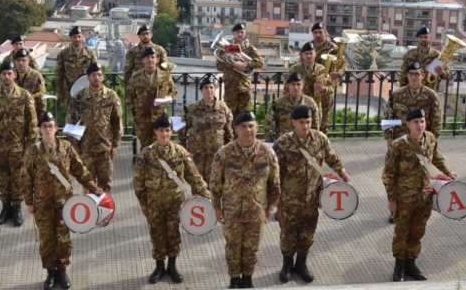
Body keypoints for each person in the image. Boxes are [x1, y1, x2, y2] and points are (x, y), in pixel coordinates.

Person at [22, 112, 103, 290]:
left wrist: (92, 187)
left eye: (51, 126)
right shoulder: (33, 151)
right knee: (47, 239)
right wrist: (29, 201)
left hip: (64, 203)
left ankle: (62, 270)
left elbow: (79, 170)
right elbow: (26, 178)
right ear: (40, 129)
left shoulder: (66, 147)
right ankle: (51, 273)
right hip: (43, 204)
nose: (48, 129)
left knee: (63, 238)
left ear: (56, 128)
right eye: (44, 127)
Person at [273, 105, 351, 283]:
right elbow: (274, 171)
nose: (305, 126)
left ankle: (301, 264)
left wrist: (342, 172)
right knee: (288, 233)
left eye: (308, 122)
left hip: (312, 198)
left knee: (307, 232)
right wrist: (275, 197)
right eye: (301, 122)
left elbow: (332, 157)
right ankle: (287, 265)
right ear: (293, 122)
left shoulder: (320, 139)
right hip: (290, 199)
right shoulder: (283, 143)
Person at [133, 113, 211, 284]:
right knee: (157, 235)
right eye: (161, 130)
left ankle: (172, 266)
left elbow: (194, 177)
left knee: (174, 234)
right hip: (154, 203)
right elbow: (138, 183)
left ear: (171, 132)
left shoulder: (180, 152)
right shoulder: (146, 155)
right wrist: (143, 204)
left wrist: (207, 196)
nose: (165, 134)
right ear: (155, 131)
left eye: (168, 131)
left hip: (175, 203)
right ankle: (159, 267)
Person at [383, 108, 458, 282]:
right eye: (416, 122)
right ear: (408, 124)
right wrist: (392, 201)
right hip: (404, 198)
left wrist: (448, 171)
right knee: (401, 232)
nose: (420, 125)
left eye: (422, 121)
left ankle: (411, 263)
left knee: (417, 231)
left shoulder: (430, 139)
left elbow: (436, 157)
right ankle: (399, 266)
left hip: (425, 196)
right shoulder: (398, 145)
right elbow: (388, 175)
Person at [210, 111, 280, 289]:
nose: (247, 130)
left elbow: (274, 185)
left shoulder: (268, 153)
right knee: (233, 249)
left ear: (257, 128)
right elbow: (215, 184)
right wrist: (217, 207)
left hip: (256, 213)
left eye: (251, 126)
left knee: (251, 249)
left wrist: (270, 208)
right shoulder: (224, 154)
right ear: (235, 129)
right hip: (232, 213)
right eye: (243, 126)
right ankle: (234, 280)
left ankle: (248, 279)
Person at [0, 60, 38, 227]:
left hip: (19, 147)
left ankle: (17, 209)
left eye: (9, 73)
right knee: (2, 179)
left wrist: (31, 146)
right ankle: (5, 208)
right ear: (0, 76)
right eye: (3, 73)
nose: (6, 76)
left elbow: (32, 123)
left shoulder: (25, 96)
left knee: (18, 179)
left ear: (15, 75)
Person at [383, 61, 442, 223]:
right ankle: (395, 209)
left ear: (423, 76)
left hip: (421, 144)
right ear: (407, 76)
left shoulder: (430, 96)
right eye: (411, 74)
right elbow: (388, 117)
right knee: (397, 177)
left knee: (421, 177)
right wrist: (389, 138)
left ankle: (419, 208)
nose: (414, 77)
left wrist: (431, 142)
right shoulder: (397, 94)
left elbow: (436, 122)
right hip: (401, 145)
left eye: (417, 74)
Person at [67, 62, 122, 193]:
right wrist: (74, 144)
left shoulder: (111, 96)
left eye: (99, 75)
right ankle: (90, 212)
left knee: (105, 184)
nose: (96, 78)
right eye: (93, 75)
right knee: (88, 183)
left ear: (103, 77)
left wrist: (115, 145)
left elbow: (117, 121)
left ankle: (104, 212)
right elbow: (71, 121)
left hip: (105, 147)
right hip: (86, 148)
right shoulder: (79, 97)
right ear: (88, 77)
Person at [178, 74, 233, 183]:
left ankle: (213, 201)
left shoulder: (223, 108)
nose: (209, 90)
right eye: (206, 87)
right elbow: (182, 129)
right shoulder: (192, 109)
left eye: (211, 87)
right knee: (196, 181)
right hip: (197, 153)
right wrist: (183, 147)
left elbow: (229, 132)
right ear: (201, 90)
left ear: (215, 89)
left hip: (216, 153)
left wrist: (228, 150)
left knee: (215, 182)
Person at [126, 46, 178, 150]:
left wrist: (164, 100)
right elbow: (129, 96)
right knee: (145, 148)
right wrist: (135, 114)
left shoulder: (164, 76)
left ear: (157, 60)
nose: (150, 59)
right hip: (142, 119)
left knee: (160, 147)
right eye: (147, 57)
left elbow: (174, 93)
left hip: (159, 118)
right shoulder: (135, 77)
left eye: (152, 57)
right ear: (143, 60)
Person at [216, 23, 264, 118]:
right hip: (231, 87)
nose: (240, 34)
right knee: (229, 115)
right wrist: (233, 64)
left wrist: (247, 64)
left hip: (245, 88)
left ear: (245, 33)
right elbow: (219, 65)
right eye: (237, 32)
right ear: (233, 33)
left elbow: (260, 62)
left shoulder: (249, 48)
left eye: (242, 32)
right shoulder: (228, 47)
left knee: (243, 116)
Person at [310, 22, 347, 133]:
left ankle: (323, 141)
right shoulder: (309, 47)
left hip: (327, 87)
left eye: (320, 32)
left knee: (325, 118)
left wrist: (339, 73)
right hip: (312, 87)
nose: (318, 35)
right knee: (311, 115)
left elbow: (344, 63)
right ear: (312, 33)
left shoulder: (333, 47)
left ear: (325, 33)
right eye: (315, 32)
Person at [289, 42, 333, 133]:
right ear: (301, 55)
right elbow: (286, 88)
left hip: (316, 107)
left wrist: (323, 89)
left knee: (316, 134)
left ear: (315, 54)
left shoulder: (322, 70)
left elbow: (331, 89)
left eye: (311, 53)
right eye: (306, 53)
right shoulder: (294, 69)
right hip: (299, 106)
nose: (308, 56)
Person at [263, 72, 321, 142]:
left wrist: (314, 141)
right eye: (293, 84)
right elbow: (269, 123)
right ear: (288, 85)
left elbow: (316, 123)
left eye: (298, 84)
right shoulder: (278, 103)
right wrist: (269, 141)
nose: (295, 87)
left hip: (304, 142)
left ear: (303, 85)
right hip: (284, 142)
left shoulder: (310, 102)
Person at [54, 26, 98, 103]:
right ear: (70, 38)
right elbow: (58, 74)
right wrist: (60, 92)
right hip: (69, 91)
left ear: (82, 37)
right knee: (70, 114)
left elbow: (96, 72)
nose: (77, 39)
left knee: (86, 113)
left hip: (86, 91)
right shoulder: (63, 54)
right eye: (74, 37)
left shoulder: (90, 53)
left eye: (79, 36)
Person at [398, 26, 449, 91]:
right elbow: (403, 75)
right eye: (421, 37)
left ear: (430, 38)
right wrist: (403, 91)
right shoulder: (409, 55)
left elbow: (447, 75)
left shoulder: (437, 55)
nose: (423, 39)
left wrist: (442, 73)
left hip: (429, 93)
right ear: (418, 39)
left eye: (425, 37)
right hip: (412, 93)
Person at [14, 48, 47, 117]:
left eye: (23, 60)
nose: (21, 63)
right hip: (15, 116)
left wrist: (41, 119)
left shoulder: (36, 76)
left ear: (28, 61)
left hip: (31, 114)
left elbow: (42, 97)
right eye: (18, 60)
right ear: (15, 61)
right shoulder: (11, 75)